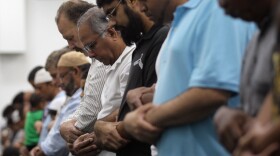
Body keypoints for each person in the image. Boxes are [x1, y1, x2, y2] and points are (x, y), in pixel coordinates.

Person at [122, 0, 256, 155]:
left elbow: (213, 93)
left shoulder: (215, 9)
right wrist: (148, 93)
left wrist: (141, 120)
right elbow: (182, 88)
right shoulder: (179, 23)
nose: (138, 8)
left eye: (141, 0)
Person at [90, 0, 169, 155]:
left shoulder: (161, 38)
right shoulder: (141, 46)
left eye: (112, 13)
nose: (111, 24)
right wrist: (99, 127)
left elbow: (151, 110)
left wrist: (108, 129)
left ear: (131, 2)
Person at [213, 0, 279, 155]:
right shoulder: (255, 41)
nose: (221, 5)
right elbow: (255, 109)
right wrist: (226, 115)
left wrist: (267, 135)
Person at [73, 7, 135, 156]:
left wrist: (97, 128)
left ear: (111, 33)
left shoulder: (130, 61)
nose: (91, 54)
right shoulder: (112, 65)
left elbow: (130, 109)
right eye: (87, 49)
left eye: (92, 46)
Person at [56, 1, 108, 146]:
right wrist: (66, 125)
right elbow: (87, 104)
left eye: (70, 38)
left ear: (84, 24)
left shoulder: (104, 59)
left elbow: (92, 109)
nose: (70, 46)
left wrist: (67, 127)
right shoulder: (96, 60)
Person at [31, 51, 91, 156]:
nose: (58, 82)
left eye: (61, 76)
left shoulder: (79, 95)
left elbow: (62, 138)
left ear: (76, 71)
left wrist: (44, 150)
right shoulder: (72, 96)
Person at [34, 68, 66, 144]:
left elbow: (56, 134)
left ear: (50, 84)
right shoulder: (51, 102)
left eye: (40, 88)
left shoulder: (60, 100)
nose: (37, 92)